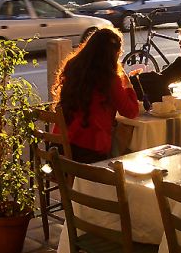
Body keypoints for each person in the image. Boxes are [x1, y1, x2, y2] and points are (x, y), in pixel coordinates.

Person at [52, 27, 140, 163]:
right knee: (127, 151)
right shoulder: (108, 78)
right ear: (114, 54)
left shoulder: (73, 66)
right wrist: (128, 85)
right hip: (88, 150)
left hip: (61, 145)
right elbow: (131, 111)